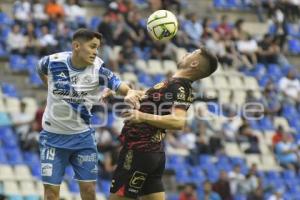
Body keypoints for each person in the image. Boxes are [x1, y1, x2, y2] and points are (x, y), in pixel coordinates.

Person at [36, 28, 141, 200]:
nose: (95, 52)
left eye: (97, 48)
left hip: (82, 138)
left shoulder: (97, 69)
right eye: (92, 47)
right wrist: (48, 85)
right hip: (52, 139)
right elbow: (40, 69)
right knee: (51, 194)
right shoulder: (53, 61)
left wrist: (128, 92)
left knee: (89, 191)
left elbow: (117, 83)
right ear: (76, 46)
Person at [109, 47, 218, 200]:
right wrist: (119, 91)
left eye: (191, 53)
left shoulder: (178, 87)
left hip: (138, 151)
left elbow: (178, 122)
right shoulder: (175, 84)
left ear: (194, 64)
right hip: (153, 153)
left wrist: (142, 116)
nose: (186, 54)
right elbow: (148, 96)